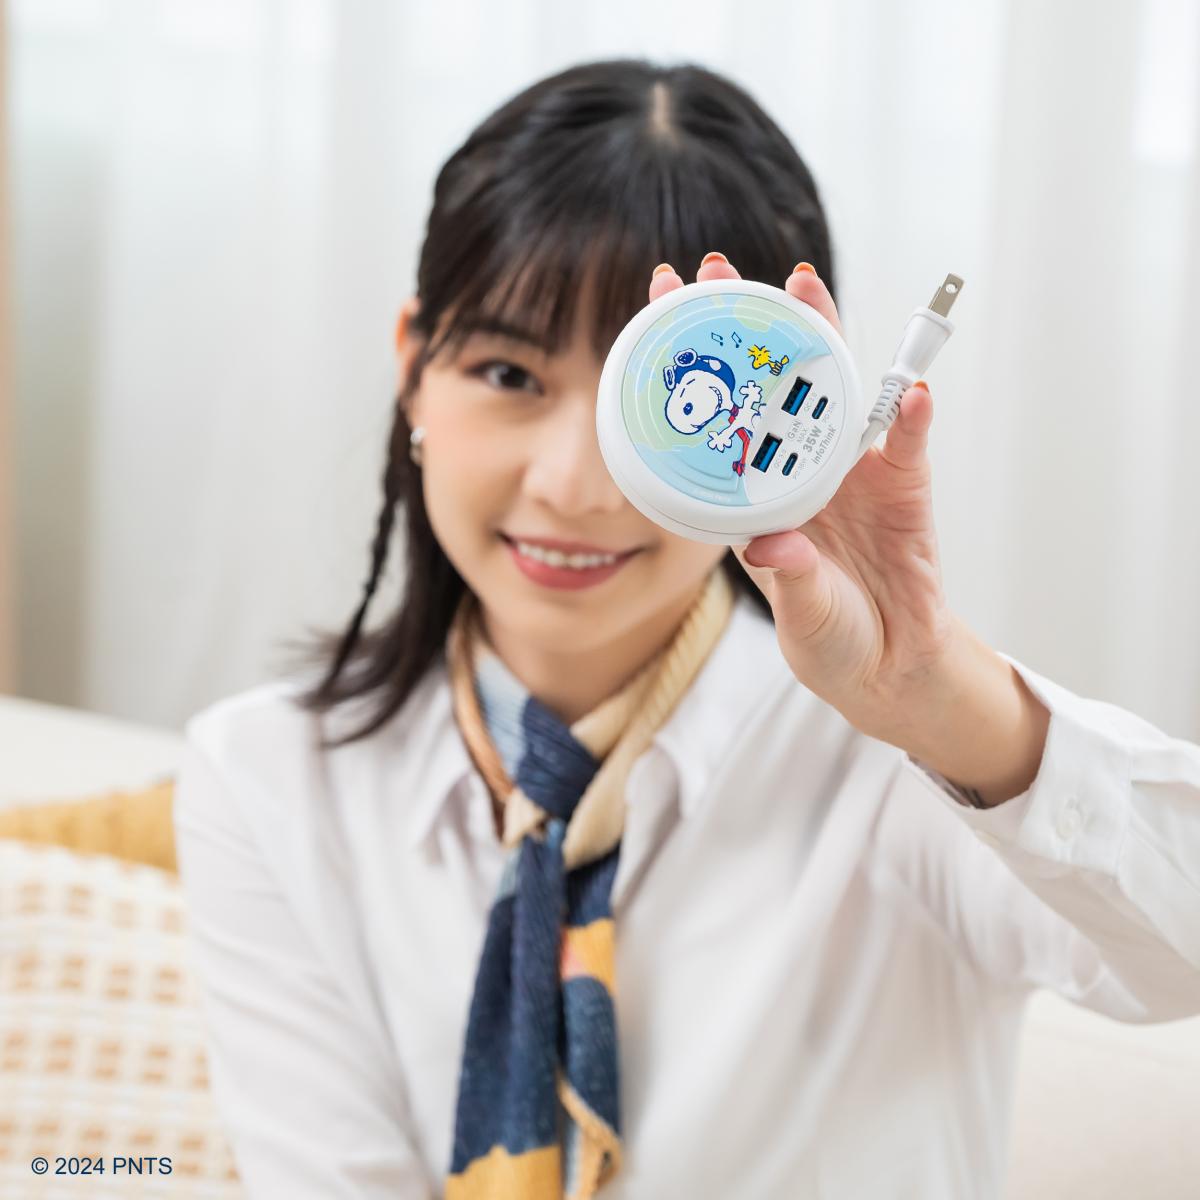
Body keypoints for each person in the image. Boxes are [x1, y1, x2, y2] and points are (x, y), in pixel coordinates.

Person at [173, 58, 1200, 1200]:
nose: (572, 484)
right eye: (509, 372)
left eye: (651, 401)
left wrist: (940, 697)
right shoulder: (268, 777)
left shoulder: (912, 769)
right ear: (415, 368)